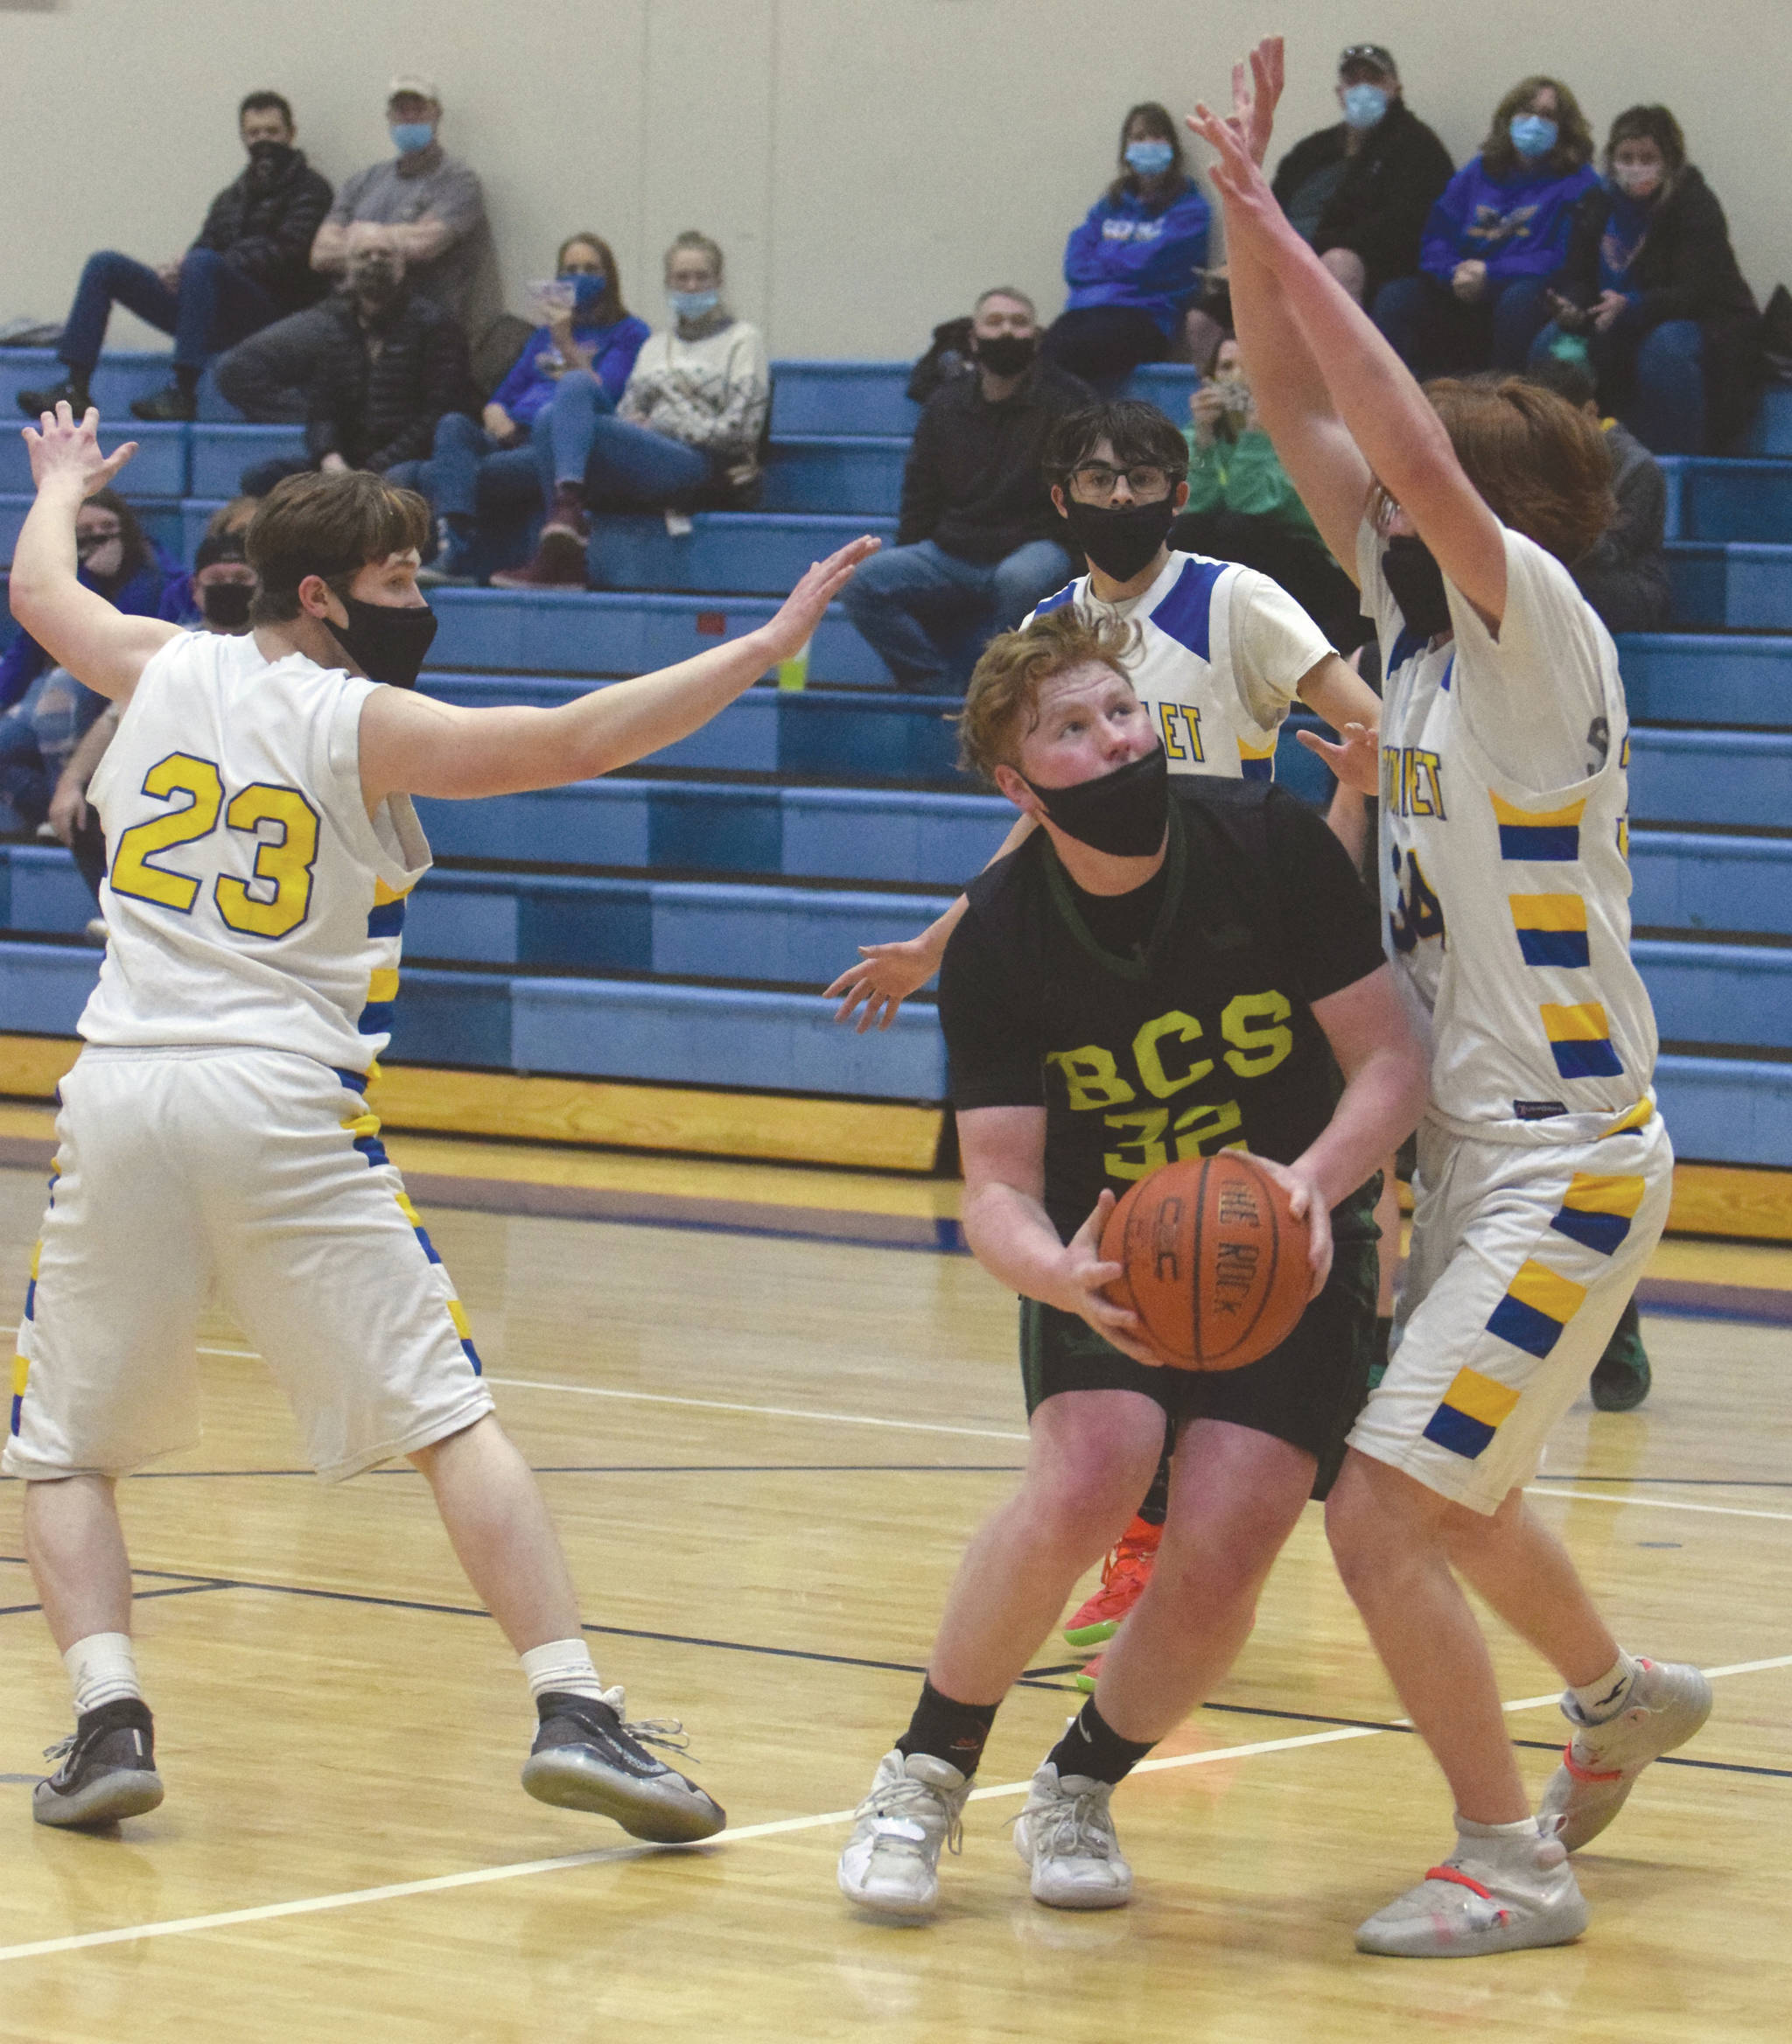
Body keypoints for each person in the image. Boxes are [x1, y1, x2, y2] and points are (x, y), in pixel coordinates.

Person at [4, 400, 874, 1838]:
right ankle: (574, 1704)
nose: (423, 599)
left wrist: (54, 483)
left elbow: (41, 588)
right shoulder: (363, 721)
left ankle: (107, 1725)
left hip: (120, 1092)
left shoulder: (159, 666)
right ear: (319, 595)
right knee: (450, 1415)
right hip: (281, 1098)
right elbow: (571, 740)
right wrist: (760, 650)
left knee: (66, 1442)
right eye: (401, 579)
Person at [1190, 36, 1711, 1958]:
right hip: (1485, 1165)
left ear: (1485, 511)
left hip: (1567, 1155)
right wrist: (1255, 228)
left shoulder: (1533, 635)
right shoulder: (1411, 640)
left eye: (1426, 492)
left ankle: (1509, 1854)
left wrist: (1279, 221)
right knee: (1455, 1492)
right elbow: (1298, 409)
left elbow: (1393, 437)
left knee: (1381, 1510)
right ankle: (1618, 1698)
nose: (1383, 502)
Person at [835, 604, 1427, 1921]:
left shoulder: (1267, 841)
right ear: (1016, 779)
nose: (1110, 739)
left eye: (1119, 710)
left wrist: (1314, 1186)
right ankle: (924, 1774)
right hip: (1112, 1249)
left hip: (1286, 1230)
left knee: (1231, 1537)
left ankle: (1082, 1786)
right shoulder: (997, 930)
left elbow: (1391, 1060)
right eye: (1068, 728)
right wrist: (1054, 1271)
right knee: (1090, 1473)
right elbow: (993, 1181)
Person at [16, 93, 332, 425]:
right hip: (211, 312)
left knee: (203, 264)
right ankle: (74, 387)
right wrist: (176, 270)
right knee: (105, 265)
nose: (264, 141)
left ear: (291, 134)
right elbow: (203, 249)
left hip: (272, 318)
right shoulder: (231, 197)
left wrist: (207, 263)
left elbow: (288, 254)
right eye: (254, 133)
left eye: (272, 132)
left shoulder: (312, 190)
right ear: (243, 138)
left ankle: (182, 392)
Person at [840, 290, 1088, 690]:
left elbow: (1084, 496)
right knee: (862, 580)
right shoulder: (944, 404)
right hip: (953, 551)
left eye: (1018, 322)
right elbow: (920, 490)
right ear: (973, 340)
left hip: (1036, 547)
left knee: (1020, 580)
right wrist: (913, 546)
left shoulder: (1071, 401)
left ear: (1037, 337)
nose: (1006, 332)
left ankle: (998, 687)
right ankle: (933, 686)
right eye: (994, 322)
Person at [493, 232, 767, 591]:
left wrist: (664, 424)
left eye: (702, 277)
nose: (692, 285)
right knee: (556, 408)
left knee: (560, 412)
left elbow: (739, 431)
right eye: (682, 278)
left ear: (719, 281)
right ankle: (563, 538)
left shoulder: (743, 341)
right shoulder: (655, 346)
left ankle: (564, 547)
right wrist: (639, 425)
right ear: (668, 283)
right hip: (645, 453)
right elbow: (628, 414)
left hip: (700, 463)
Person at [215, 77, 494, 424]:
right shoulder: (365, 181)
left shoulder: (457, 180)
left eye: (417, 108)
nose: (408, 117)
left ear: (436, 114)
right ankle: (332, 432)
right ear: (389, 117)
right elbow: (319, 253)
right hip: (341, 312)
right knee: (237, 370)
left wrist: (361, 237)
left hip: (408, 321)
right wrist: (396, 239)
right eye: (400, 109)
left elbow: (426, 246)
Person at [46, 528, 262, 919]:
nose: (230, 588)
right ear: (196, 588)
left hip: (248, 791)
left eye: (241, 580)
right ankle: (125, 918)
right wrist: (71, 781)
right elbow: (113, 717)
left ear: (261, 588)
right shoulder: (171, 647)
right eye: (218, 581)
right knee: (84, 810)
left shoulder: (279, 654)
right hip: (178, 784)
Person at [1531, 107, 1762, 456]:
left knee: (1665, 348)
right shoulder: (1596, 203)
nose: (1636, 166)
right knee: (1554, 343)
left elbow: (1698, 291)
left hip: (1699, 324)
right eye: (1626, 157)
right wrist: (1572, 305)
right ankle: (1560, 463)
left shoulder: (1693, 204)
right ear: (1611, 159)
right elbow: (1577, 274)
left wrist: (1634, 306)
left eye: (1647, 157)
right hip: (1611, 319)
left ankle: (1669, 471)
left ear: (1669, 161)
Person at [426, 234, 649, 579]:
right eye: (570, 269)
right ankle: (455, 548)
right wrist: (496, 412)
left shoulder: (630, 333)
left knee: (428, 476)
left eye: (590, 269)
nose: (579, 276)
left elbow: (603, 395)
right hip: (511, 436)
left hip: (557, 448)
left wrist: (565, 340)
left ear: (609, 278)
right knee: (453, 425)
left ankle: (456, 526)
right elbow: (503, 395)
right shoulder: (542, 336)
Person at [1372, 75, 1598, 380]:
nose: (1534, 122)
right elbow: (1436, 234)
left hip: (1524, 289)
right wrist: (1454, 272)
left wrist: (1491, 274)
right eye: (1526, 111)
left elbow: (1563, 257)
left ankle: (1505, 407)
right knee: (1395, 297)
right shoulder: (1478, 171)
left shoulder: (1580, 182)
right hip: (1463, 284)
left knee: (1517, 302)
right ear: (1508, 119)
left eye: (1547, 115)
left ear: (1564, 127)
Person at [0, 491, 187, 840]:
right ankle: (56, 813)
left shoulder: (162, 573)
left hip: (132, 694)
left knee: (60, 689)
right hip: (69, 689)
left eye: (108, 527)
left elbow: (120, 642)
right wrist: (85, 576)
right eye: (85, 531)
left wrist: (94, 579)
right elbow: (28, 648)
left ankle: (82, 815)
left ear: (127, 530)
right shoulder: (69, 579)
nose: (98, 536)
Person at [238, 231, 475, 499]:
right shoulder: (336, 327)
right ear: (348, 270)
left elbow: (439, 415)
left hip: (406, 461)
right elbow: (322, 412)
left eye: (385, 254)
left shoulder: (436, 326)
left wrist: (372, 469)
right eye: (364, 255)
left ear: (402, 266)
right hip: (345, 465)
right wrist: (330, 458)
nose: (375, 261)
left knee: (395, 482)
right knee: (261, 477)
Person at [1175, 336, 1368, 649]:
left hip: (1316, 568)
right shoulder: (1195, 435)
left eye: (1250, 367)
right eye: (1227, 367)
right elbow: (1192, 506)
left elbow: (1254, 504)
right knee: (1188, 530)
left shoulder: (1305, 434)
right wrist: (1204, 439)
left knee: (1235, 527)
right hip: (1244, 567)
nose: (1238, 377)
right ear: (1209, 380)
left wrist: (1256, 433)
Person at [1270, 44, 1454, 308]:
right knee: (1205, 317)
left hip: (1373, 263)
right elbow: (1270, 207)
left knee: (1338, 262)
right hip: (1290, 256)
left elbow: (1405, 225)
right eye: (1353, 81)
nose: (1363, 89)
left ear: (1395, 88)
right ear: (1340, 93)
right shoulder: (1311, 150)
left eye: (1374, 79)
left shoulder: (1417, 146)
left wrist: (1315, 245)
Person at [1040, 103, 1210, 383]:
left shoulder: (1190, 210)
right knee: (1042, 354)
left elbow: (1154, 265)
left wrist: (1103, 261)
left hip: (1144, 318)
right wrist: (1126, 264)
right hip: (1083, 312)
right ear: (1126, 150)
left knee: (1069, 357)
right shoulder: (1109, 205)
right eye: (1138, 138)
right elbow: (1075, 265)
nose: (1147, 144)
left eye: (1157, 136)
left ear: (1173, 146)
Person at [1528, 351, 1671, 636]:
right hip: (1563, 572)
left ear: (1590, 412)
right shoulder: (1539, 456)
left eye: (1561, 424)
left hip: (1630, 585)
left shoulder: (1636, 466)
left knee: (1550, 585)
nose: (1551, 435)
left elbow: (1612, 550)